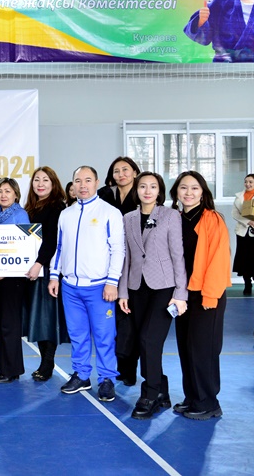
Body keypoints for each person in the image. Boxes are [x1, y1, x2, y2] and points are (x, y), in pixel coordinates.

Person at [49, 166, 125, 402]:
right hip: (70, 287)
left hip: (99, 287)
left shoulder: (110, 212)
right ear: (72, 184)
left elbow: (118, 249)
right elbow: (59, 247)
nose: (83, 185)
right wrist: (54, 275)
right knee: (77, 334)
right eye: (78, 181)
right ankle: (82, 375)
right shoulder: (66, 214)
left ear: (97, 182)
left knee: (104, 336)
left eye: (88, 180)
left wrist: (112, 282)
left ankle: (107, 379)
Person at [118, 172, 188, 420]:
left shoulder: (170, 216)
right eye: (143, 186)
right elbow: (126, 258)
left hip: (164, 288)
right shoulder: (128, 218)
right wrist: (123, 291)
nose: (147, 191)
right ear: (136, 190)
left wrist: (181, 293)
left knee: (149, 339)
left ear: (159, 191)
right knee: (142, 342)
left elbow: (178, 255)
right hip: (136, 288)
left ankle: (149, 394)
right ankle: (161, 389)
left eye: (153, 187)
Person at [170, 171, 231, 420]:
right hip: (183, 295)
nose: (188, 193)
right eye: (183, 187)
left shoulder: (212, 219)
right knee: (186, 348)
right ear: (176, 192)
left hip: (206, 294)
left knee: (203, 350)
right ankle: (193, 397)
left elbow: (219, 260)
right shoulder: (175, 219)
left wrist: (210, 296)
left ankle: (208, 402)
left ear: (203, 193)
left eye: (194, 188)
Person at [98, 156, 141, 387]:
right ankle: (116, 367)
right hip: (109, 261)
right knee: (113, 320)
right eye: (116, 171)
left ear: (135, 172)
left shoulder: (141, 194)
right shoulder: (105, 194)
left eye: (125, 170)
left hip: (135, 262)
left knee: (131, 318)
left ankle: (129, 368)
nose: (121, 174)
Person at [23, 167, 69, 382]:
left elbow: (52, 240)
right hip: (32, 269)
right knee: (39, 319)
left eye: (45, 180)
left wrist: (39, 263)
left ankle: (47, 363)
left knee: (47, 319)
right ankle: (45, 362)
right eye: (36, 180)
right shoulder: (30, 207)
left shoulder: (56, 207)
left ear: (53, 183)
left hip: (47, 270)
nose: (40, 184)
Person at [0, 178, 30, 384]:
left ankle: (12, 370)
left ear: (16, 194)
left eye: (8, 191)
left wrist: (6, 271)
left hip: (13, 278)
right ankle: (2, 365)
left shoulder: (20, 215)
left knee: (9, 325)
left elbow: (25, 248)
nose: (3, 195)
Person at [231, 173, 254, 295]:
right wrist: (248, 222)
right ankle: (247, 284)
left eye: (251, 182)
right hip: (242, 232)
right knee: (243, 259)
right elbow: (235, 214)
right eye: (246, 181)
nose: (248, 184)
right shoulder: (239, 196)